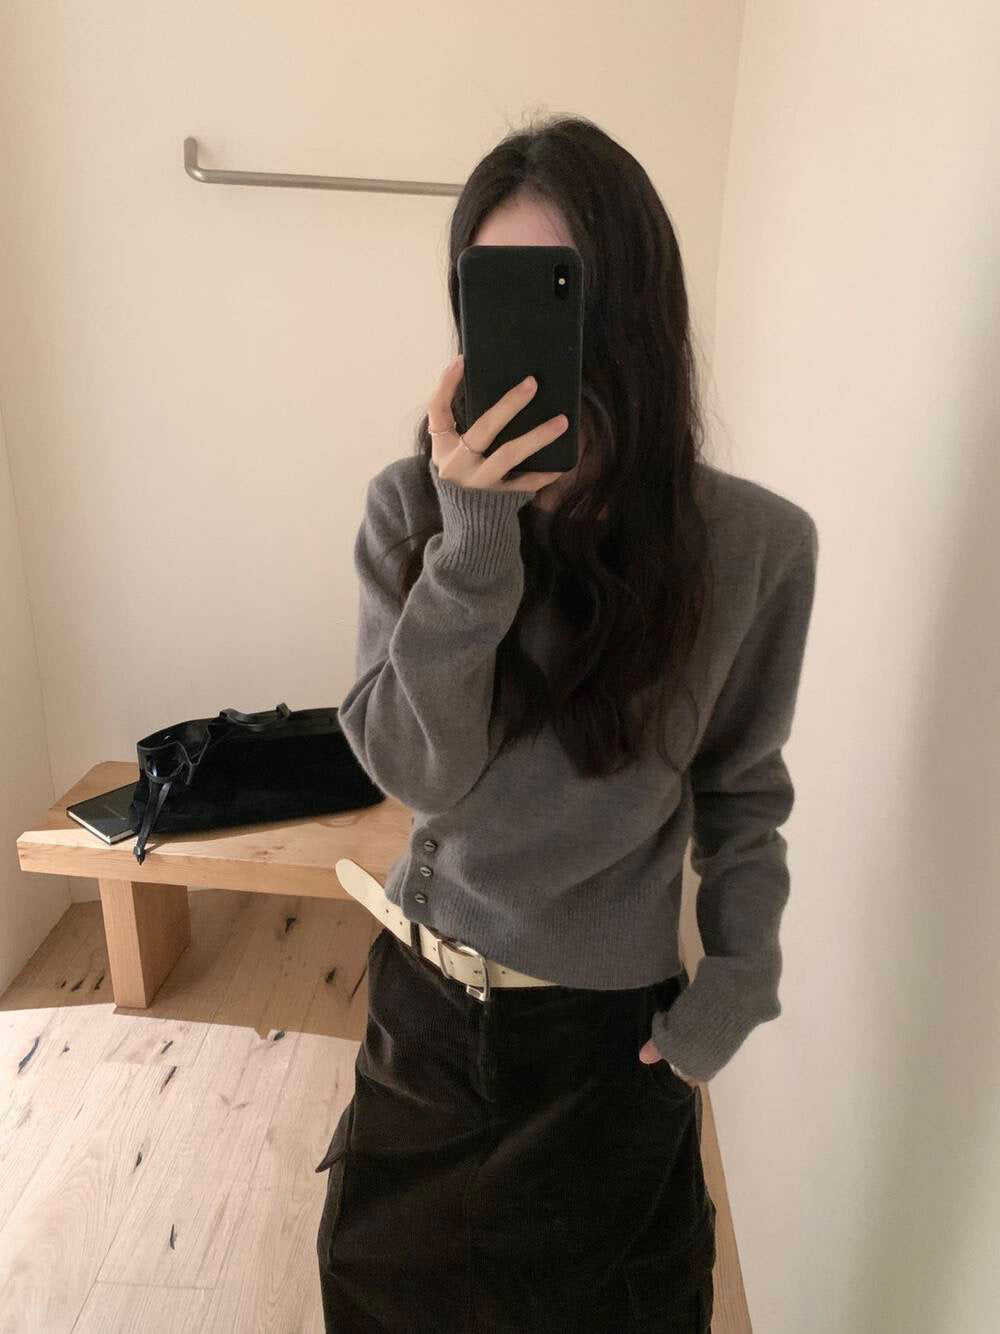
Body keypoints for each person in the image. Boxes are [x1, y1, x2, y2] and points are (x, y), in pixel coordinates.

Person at [315, 112, 819, 1333]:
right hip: (425, 1013)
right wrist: (475, 541)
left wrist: (739, 979)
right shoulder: (410, 512)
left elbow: (742, 789)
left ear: (636, 310)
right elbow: (419, 771)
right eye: (493, 292)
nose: (533, 332)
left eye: (562, 288)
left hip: (606, 1043)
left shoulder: (753, 546)